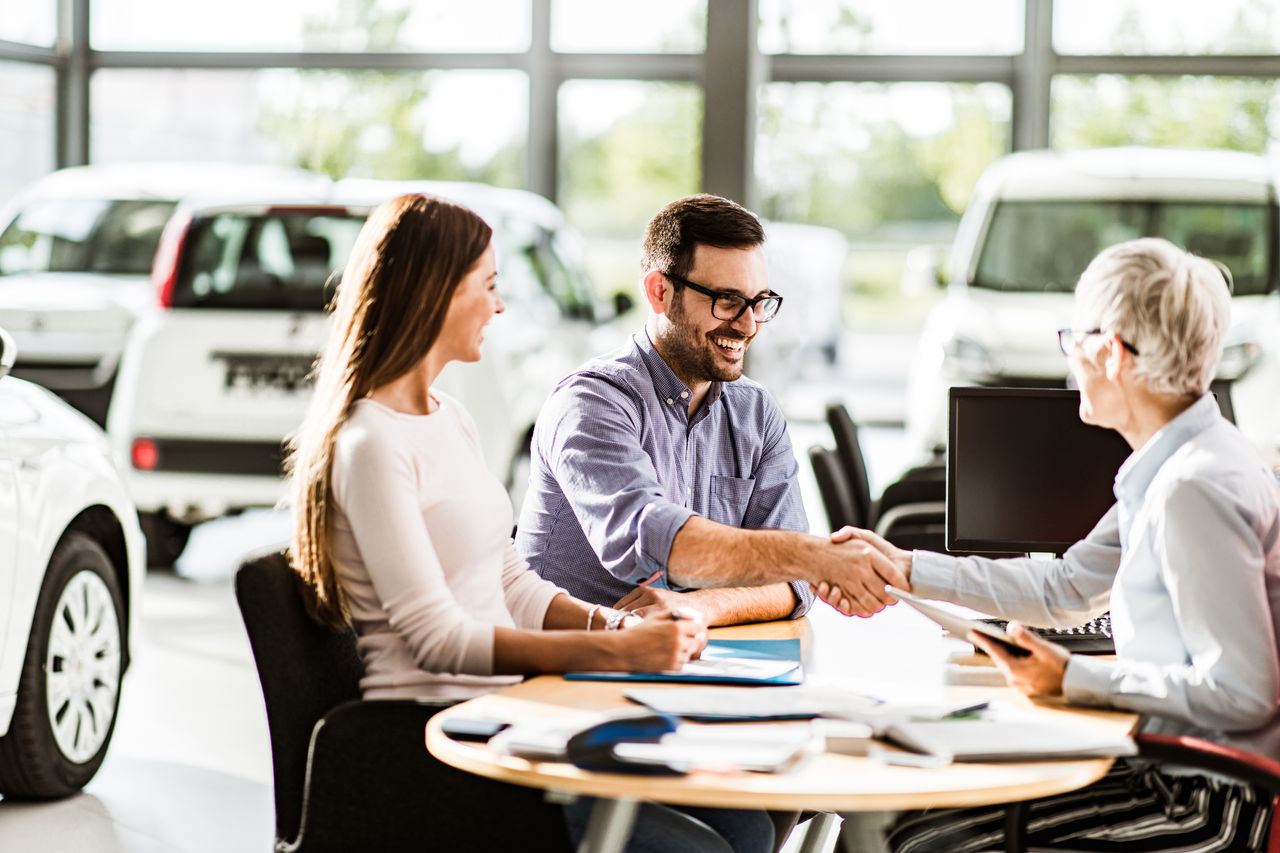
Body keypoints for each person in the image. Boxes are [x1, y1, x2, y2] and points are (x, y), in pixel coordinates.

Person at [286, 193, 775, 853]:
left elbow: (510, 578)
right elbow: (438, 639)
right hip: (429, 746)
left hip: (504, 716)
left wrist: (615, 624)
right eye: (487, 286)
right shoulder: (371, 442)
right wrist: (614, 652)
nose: (499, 306)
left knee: (749, 823)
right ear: (433, 294)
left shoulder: (446, 417)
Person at [821, 237, 1280, 852]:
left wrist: (1075, 677)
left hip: (1205, 803)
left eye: (1074, 338)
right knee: (915, 820)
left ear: (1112, 352)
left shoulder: (1192, 487)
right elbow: (1067, 589)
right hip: (1170, 769)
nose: (1069, 360)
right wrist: (906, 568)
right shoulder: (1181, 461)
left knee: (927, 840)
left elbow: (1244, 695)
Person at [517, 193, 907, 627]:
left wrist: (700, 607)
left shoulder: (754, 412)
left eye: (759, 301)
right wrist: (816, 556)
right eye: (726, 300)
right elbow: (653, 544)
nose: (748, 324)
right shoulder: (591, 403)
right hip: (564, 673)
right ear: (659, 291)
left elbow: (793, 584)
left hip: (689, 663)